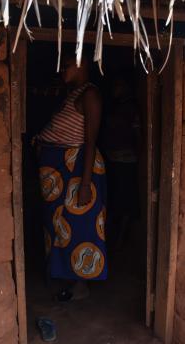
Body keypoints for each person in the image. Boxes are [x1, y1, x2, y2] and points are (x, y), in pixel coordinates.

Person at [33, 53, 107, 301]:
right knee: (61, 228)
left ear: (82, 63)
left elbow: (90, 142)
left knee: (80, 227)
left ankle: (81, 286)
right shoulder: (72, 94)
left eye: (66, 64)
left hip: (77, 173)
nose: (62, 68)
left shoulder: (90, 95)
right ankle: (67, 278)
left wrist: (85, 184)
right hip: (63, 174)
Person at [101, 74, 140, 250]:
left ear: (126, 87)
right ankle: (114, 237)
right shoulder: (117, 107)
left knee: (124, 200)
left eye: (118, 85)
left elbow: (136, 135)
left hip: (127, 161)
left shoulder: (130, 108)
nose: (114, 89)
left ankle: (120, 239)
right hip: (113, 159)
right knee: (116, 198)